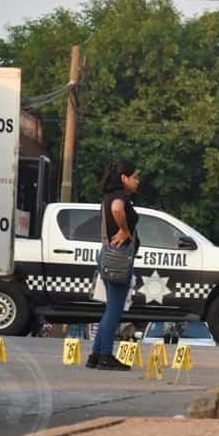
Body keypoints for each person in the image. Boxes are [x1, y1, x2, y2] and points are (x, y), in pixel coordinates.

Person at [87, 159, 140, 371]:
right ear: (123, 178)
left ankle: (96, 354)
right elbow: (118, 210)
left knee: (110, 308)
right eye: (135, 177)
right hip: (118, 258)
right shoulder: (120, 197)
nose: (138, 181)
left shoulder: (109, 195)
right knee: (114, 310)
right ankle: (105, 356)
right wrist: (125, 230)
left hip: (108, 256)